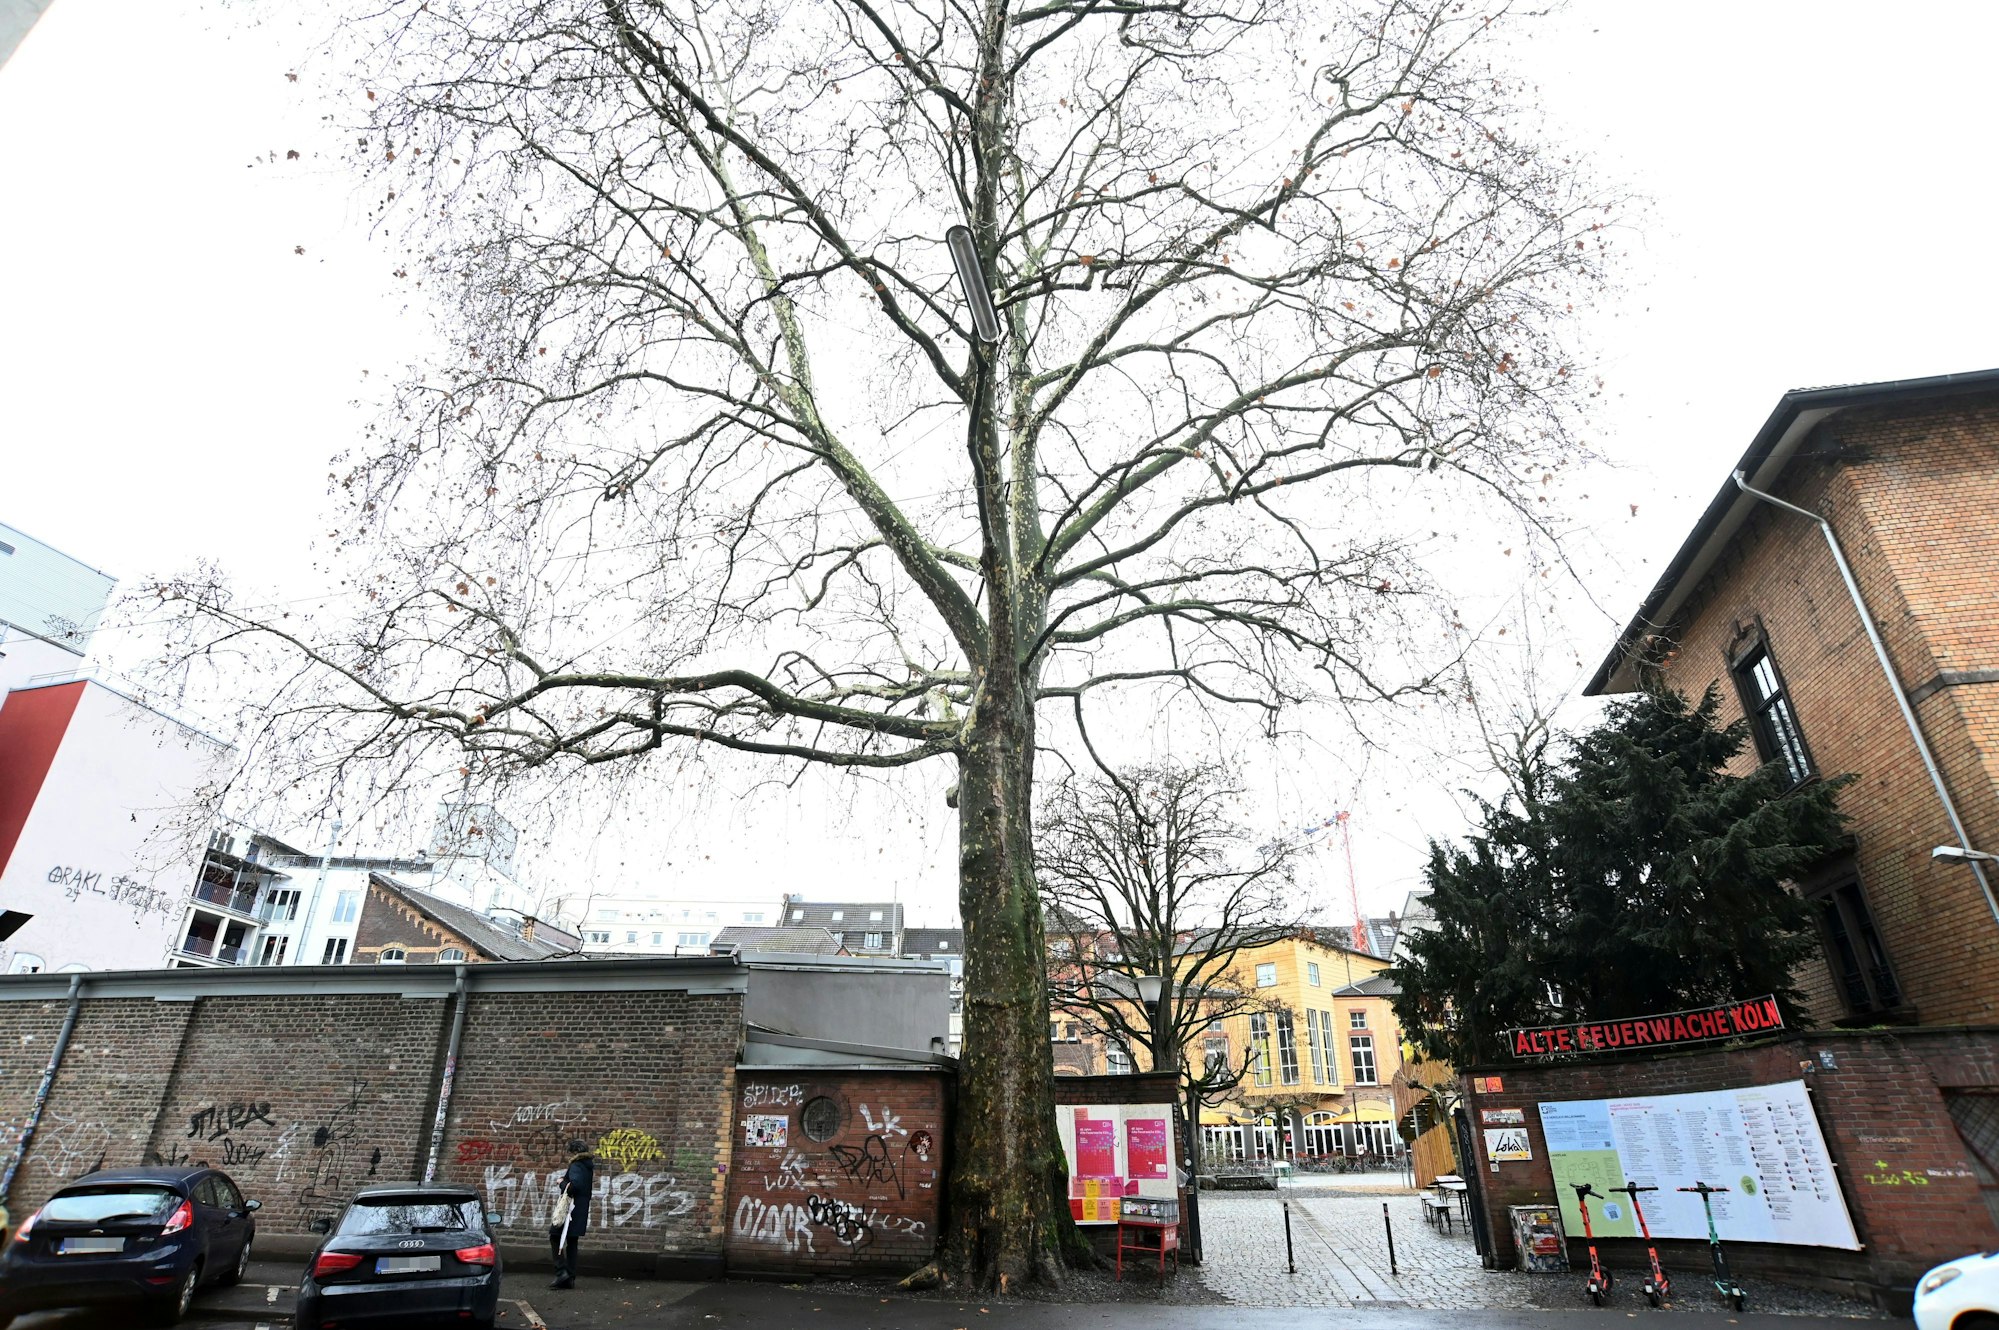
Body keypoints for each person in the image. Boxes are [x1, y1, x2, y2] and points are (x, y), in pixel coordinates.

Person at [548, 1141, 595, 1289]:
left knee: (554, 1235)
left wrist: (562, 1182)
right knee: (572, 1241)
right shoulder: (587, 1166)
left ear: (574, 1152)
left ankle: (561, 1272)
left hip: (571, 1210)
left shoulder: (576, 1165)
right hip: (580, 1209)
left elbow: (574, 1187)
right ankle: (570, 1277)